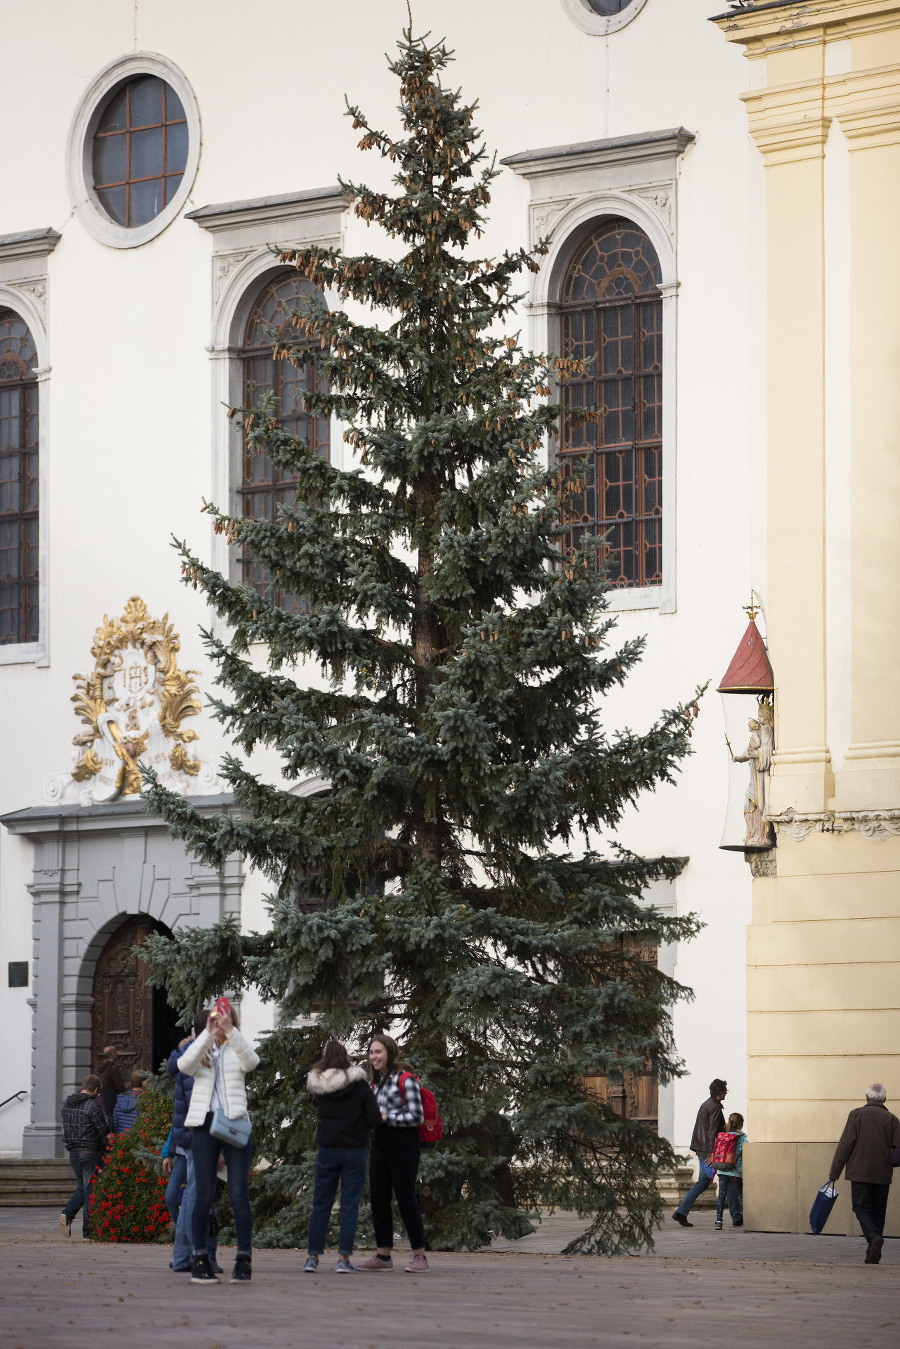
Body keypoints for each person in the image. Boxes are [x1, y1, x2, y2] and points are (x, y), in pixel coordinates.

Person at [177, 1001, 259, 1285]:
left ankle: (244, 1259)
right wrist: (206, 1036)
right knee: (203, 1195)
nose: (218, 1022)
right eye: (214, 1018)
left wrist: (231, 1032)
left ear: (231, 1020)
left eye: (223, 1018)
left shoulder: (237, 1046)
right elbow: (183, 1066)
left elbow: (252, 1062)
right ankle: (200, 1259)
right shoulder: (202, 1050)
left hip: (234, 1123)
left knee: (238, 1195)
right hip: (204, 1125)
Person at [303, 1039, 383, 1273]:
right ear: (347, 1058)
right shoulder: (359, 1086)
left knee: (320, 1204)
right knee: (349, 1205)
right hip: (354, 1151)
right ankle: (343, 1260)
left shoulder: (319, 1087)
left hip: (326, 1151)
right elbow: (375, 1120)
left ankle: (312, 1258)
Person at [358, 1034, 429, 1273]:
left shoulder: (405, 1079)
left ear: (389, 1052)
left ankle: (420, 1256)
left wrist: (388, 1118)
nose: (373, 1057)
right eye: (371, 1052)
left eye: (378, 1052)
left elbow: (417, 1116)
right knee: (378, 1198)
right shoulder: (375, 1083)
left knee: (406, 1197)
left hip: (404, 1142)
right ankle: (383, 1256)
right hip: (380, 1142)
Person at [165, 1014, 220, 1273]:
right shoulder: (203, 1055)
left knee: (192, 1195)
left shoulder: (185, 1054)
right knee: (196, 1196)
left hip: (186, 1134)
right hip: (201, 1133)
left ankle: (183, 1255)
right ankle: (188, 1256)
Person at [829, 1082, 900, 1265]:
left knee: (860, 1208)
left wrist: (834, 1172)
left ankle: (873, 1237)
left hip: (860, 1172)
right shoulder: (892, 1119)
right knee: (878, 1212)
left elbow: (845, 1145)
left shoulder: (856, 1115)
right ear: (884, 1099)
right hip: (883, 1173)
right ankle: (871, 1253)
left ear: (867, 1097)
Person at [59, 1074, 111, 1238]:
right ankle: (88, 1232)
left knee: (82, 1188)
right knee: (90, 1191)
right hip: (89, 1152)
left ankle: (67, 1214)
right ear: (95, 1090)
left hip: (73, 1153)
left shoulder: (67, 1104)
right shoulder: (91, 1105)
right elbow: (103, 1129)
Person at [672, 1078, 728, 1227]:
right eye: (725, 1091)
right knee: (703, 1182)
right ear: (720, 1092)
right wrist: (711, 1153)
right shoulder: (714, 1107)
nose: (726, 1094)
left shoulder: (706, 1104)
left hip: (702, 1148)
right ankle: (680, 1212)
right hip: (707, 1150)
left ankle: (681, 1213)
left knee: (703, 1182)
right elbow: (712, 1132)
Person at [714, 1112, 746, 1230]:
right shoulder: (742, 1137)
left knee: (721, 1195)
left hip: (722, 1170)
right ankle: (745, 1218)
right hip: (735, 1171)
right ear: (741, 1124)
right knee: (740, 1194)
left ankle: (718, 1221)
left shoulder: (722, 1136)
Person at [111, 1068, 147, 1133]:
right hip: (139, 1139)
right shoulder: (146, 1101)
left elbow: (115, 1124)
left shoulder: (120, 1100)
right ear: (144, 1082)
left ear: (130, 1082)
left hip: (123, 1140)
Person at [96, 1046, 125, 1123]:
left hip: (98, 1098)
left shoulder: (98, 1067)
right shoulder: (113, 1068)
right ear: (112, 1054)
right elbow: (120, 1087)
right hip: (109, 1099)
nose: (117, 1054)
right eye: (116, 1052)